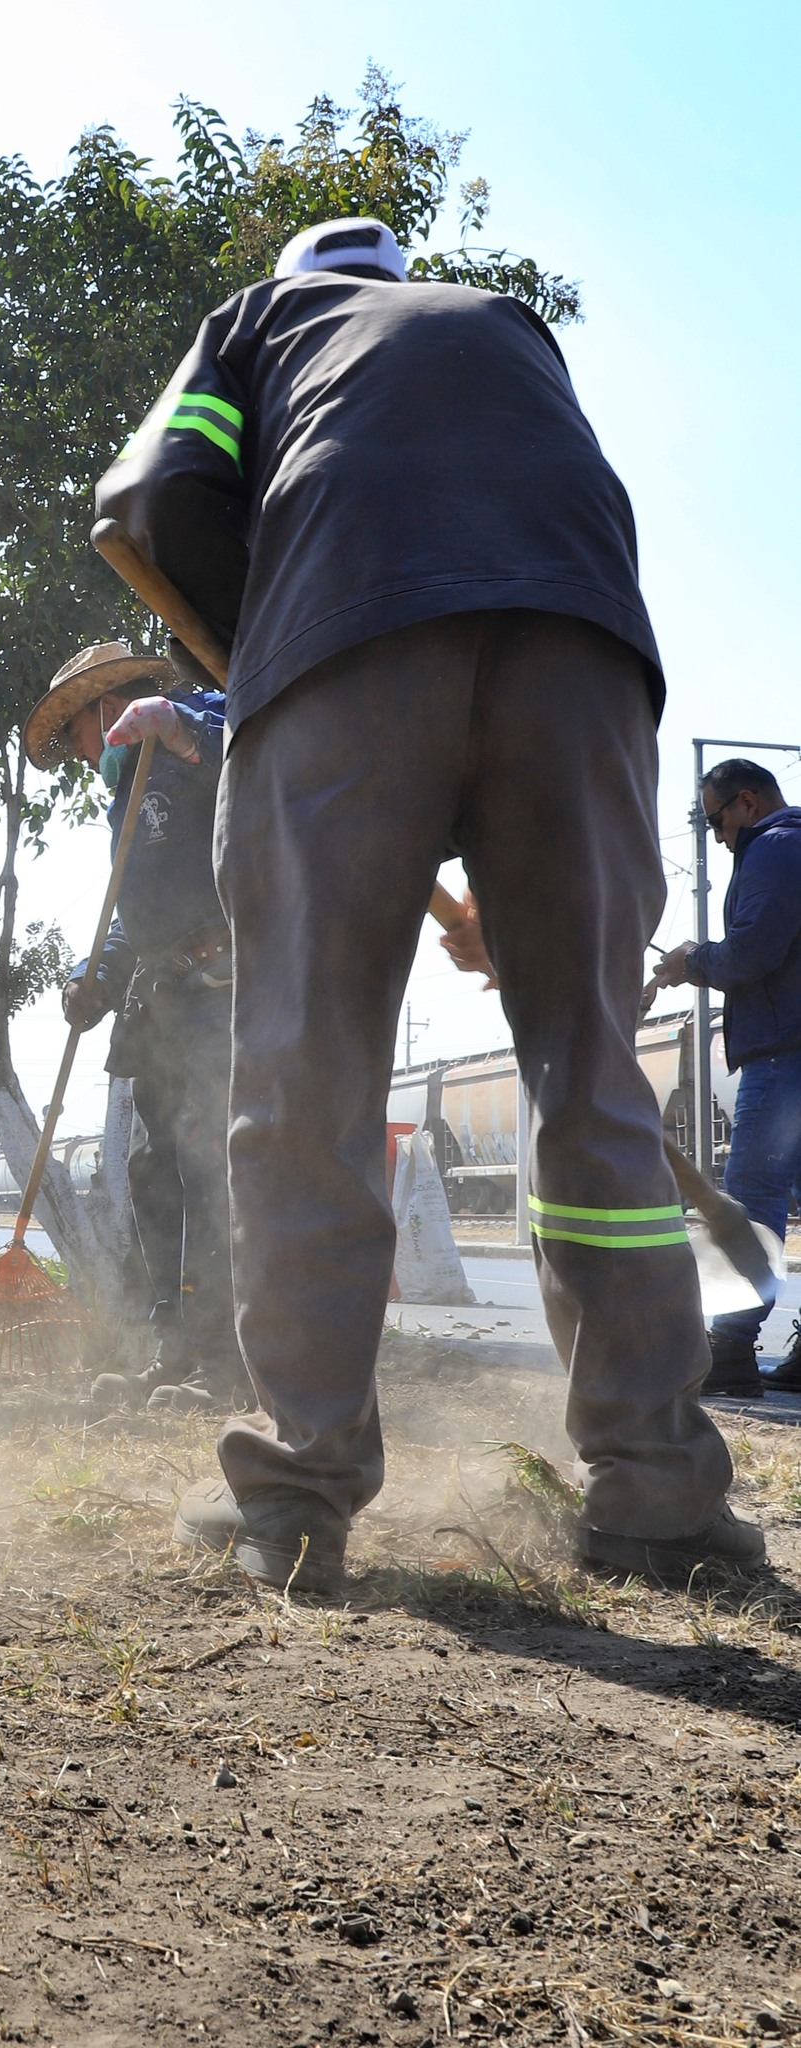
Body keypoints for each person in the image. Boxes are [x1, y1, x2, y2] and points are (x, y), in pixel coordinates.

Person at [94, 213, 760, 1590]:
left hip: (344, 640)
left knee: (306, 1067)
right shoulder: (508, 323)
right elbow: (528, 535)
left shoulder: (263, 322)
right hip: (586, 658)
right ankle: (658, 1490)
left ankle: (299, 1483)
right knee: (590, 1073)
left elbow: (143, 504)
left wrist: (268, 648)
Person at [21, 640, 241, 1411]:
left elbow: (254, 749)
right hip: (162, 1001)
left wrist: (182, 726)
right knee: (156, 1178)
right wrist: (98, 979)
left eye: (77, 737)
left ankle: (226, 1367)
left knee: (212, 1172)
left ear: (103, 708)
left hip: (221, 990)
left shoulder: (202, 725)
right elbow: (132, 911)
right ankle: (172, 1352)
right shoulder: (125, 797)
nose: (83, 756)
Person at [648, 758, 801, 1395]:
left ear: (748, 802)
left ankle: (730, 1350)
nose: (716, 837)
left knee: (751, 1200)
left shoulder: (774, 847)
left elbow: (754, 950)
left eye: (717, 822)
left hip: (783, 1052)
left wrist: (692, 961)